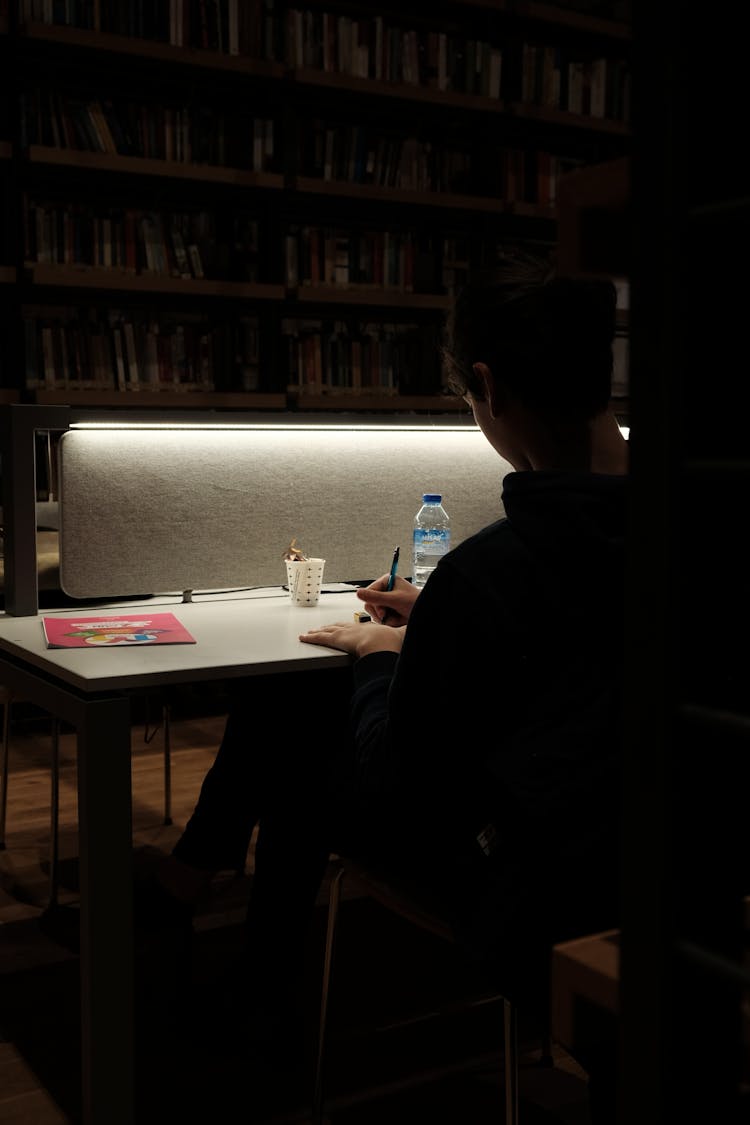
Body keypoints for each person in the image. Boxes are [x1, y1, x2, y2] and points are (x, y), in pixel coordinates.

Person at [137, 249, 627, 1113]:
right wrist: (422, 631)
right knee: (296, 714)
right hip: (623, 852)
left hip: (521, 882)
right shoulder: (665, 536)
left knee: (296, 745)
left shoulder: (489, 575)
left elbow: (390, 772)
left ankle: (245, 977)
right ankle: (220, 926)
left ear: (488, 384)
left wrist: (377, 653)